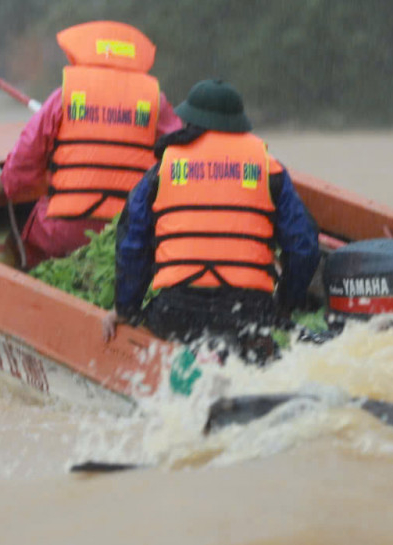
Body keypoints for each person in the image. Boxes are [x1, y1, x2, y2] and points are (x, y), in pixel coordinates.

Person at [103, 79, 321, 352]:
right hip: (248, 311)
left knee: (157, 320)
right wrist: (286, 304)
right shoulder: (269, 168)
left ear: (191, 120)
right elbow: (304, 247)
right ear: (238, 123)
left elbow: (132, 243)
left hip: (178, 311)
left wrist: (126, 308)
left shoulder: (163, 170)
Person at [0, 21, 181, 266]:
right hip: (130, 229)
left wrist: (3, 185)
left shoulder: (66, 94)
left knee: (23, 245)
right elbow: (178, 155)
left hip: (64, 230)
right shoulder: (155, 100)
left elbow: (27, 154)